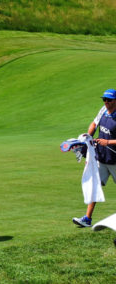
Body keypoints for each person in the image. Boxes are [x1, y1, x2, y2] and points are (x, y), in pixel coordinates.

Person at [73, 89, 116, 227]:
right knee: (95, 186)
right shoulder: (103, 110)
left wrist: (108, 142)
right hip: (102, 158)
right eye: (104, 99)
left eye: (109, 100)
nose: (106, 102)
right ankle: (87, 218)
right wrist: (88, 135)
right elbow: (94, 124)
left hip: (115, 160)